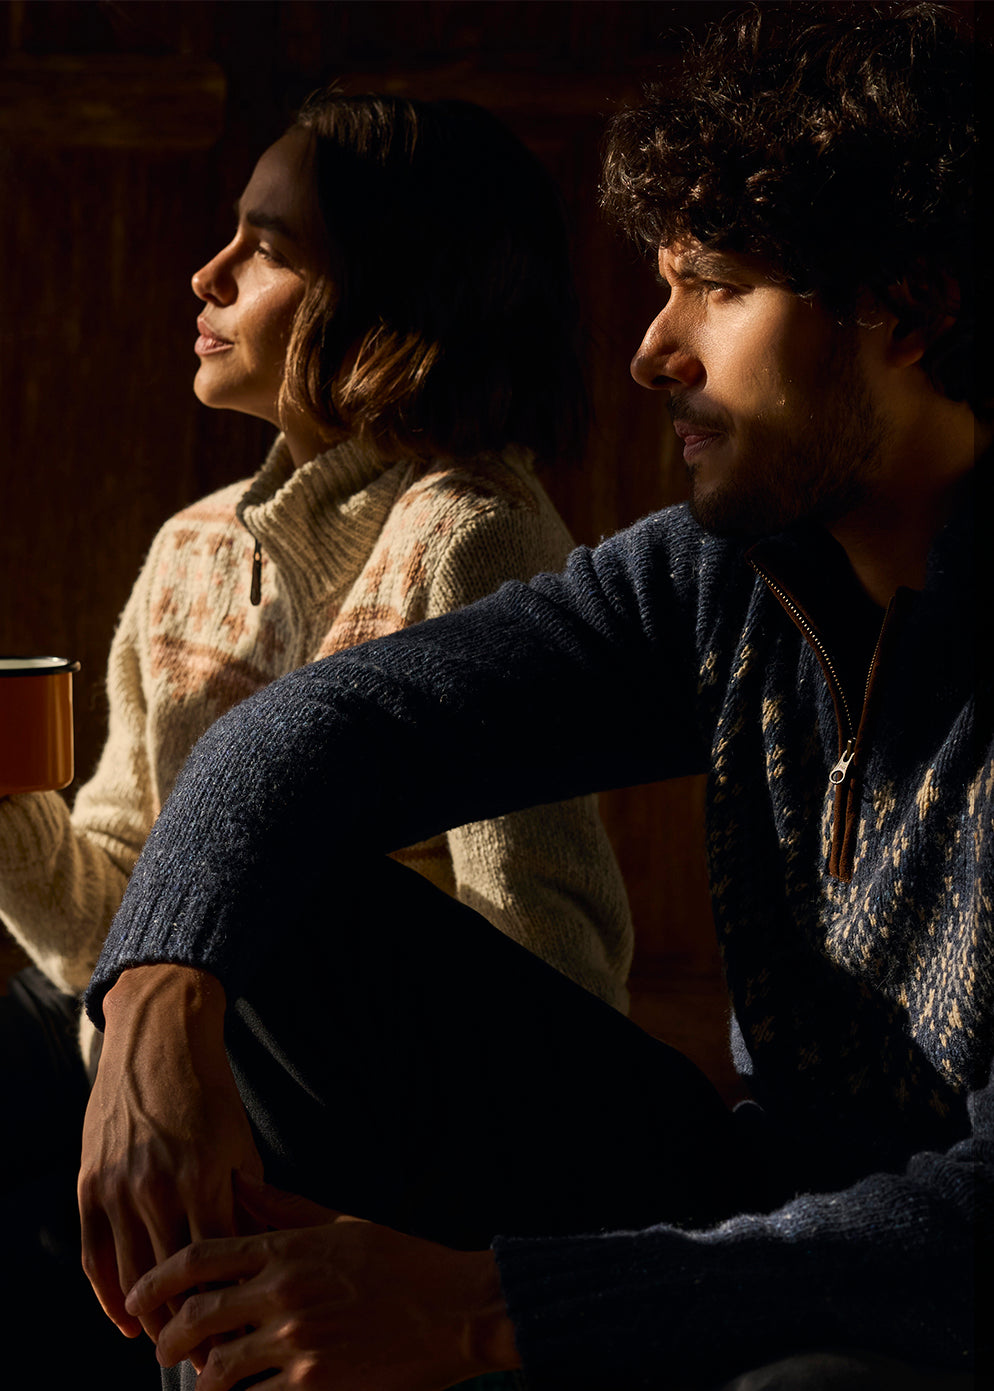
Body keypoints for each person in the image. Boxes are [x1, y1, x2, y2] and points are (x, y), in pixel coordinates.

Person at [78, 4, 989, 1389]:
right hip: (745, 1202)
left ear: (910, 308)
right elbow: (316, 726)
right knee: (276, 909)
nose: (652, 351)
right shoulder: (726, 575)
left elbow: (968, 1229)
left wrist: (490, 1308)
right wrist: (155, 1003)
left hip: (929, 1288)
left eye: (718, 287)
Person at [0, 92, 633, 1384]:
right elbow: (102, 923)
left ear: (395, 294)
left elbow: (552, 959)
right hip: (154, 1062)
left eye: (267, 247)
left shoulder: (475, 535)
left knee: (272, 930)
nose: (206, 271)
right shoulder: (193, 547)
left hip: (382, 1122)